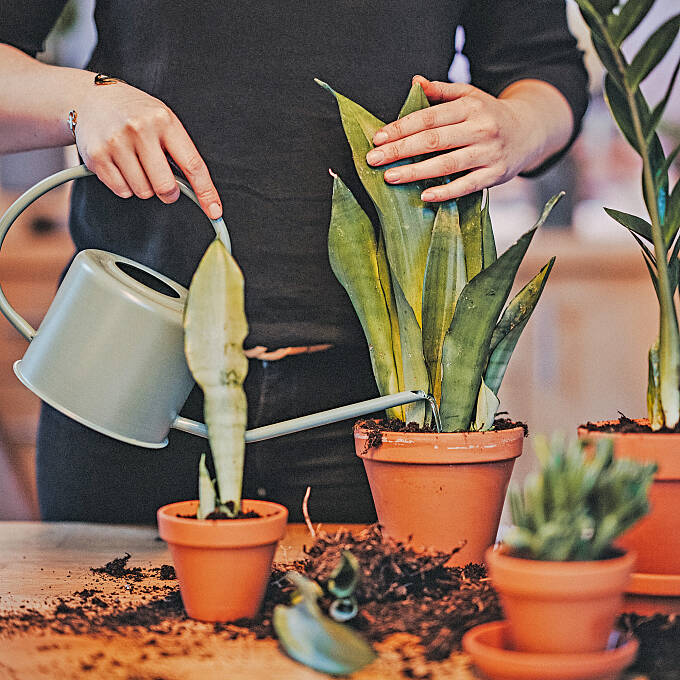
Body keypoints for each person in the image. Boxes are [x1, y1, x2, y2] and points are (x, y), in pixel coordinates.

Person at [0, 1, 588, 524]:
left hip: (384, 394)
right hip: (127, 364)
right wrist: (82, 100)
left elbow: (544, 67)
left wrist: (517, 126)